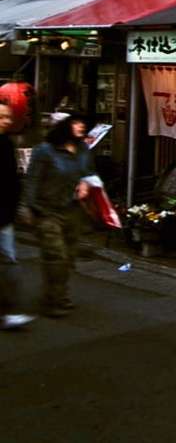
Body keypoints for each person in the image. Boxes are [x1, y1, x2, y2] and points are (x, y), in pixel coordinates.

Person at [18, 113, 95, 318]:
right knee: (56, 256)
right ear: (64, 126)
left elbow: (88, 172)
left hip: (72, 209)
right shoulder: (45, 151)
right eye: (76, 123)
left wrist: (86, 183)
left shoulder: (83, 149)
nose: (81, 127)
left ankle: (57, 294)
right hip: (47, 210)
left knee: (68, 257)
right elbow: (32, 180)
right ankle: (54, 300)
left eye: (83, 124)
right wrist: (26, 207)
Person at [1, 103, 33, 330]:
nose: (6, 120)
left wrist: (18, 208)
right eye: (1, 116)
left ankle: (9, 311)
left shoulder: (6, 143)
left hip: (4, 216)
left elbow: (11, 182)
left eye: (8, 116)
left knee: (10, 262)